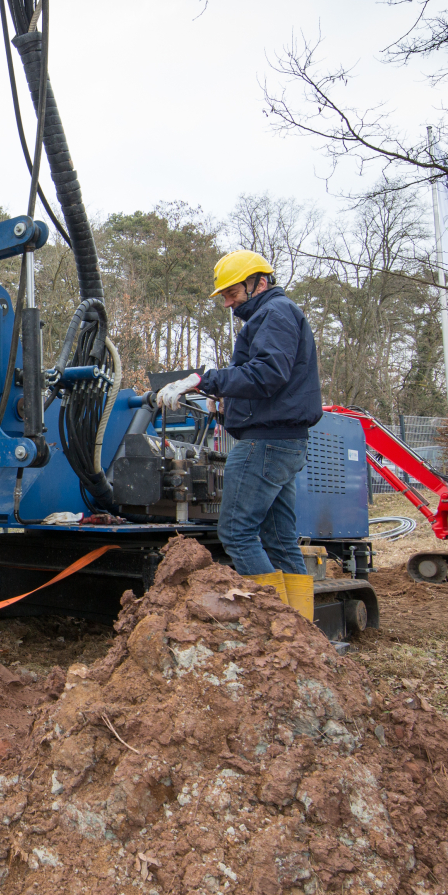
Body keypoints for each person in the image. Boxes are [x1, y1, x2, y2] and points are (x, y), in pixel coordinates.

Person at [155, 250, 323, 620]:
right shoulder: (277, 314)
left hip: (265, 443)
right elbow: (270, 380)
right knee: (279, 541)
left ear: (259, 283)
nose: (229, 304)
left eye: (232, 294)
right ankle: (301, 632)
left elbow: (267, 374)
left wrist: (204, 379)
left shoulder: (273, 314)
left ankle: (274, 627)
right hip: (285, 442)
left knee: (236, 532)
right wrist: (225, 402)